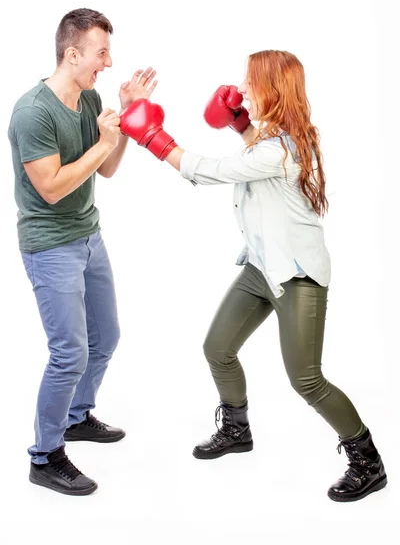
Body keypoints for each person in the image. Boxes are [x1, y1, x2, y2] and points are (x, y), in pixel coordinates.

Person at [119, 50, 387, 502]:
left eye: (248, 84)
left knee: (306, 380)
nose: (240, 89)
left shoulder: (280, 149)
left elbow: (209, 171)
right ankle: (237, 430)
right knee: (217, 348)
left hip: (297, 277)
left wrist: (151, 136)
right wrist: (240, 122)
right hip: (263, 267)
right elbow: (255, 149)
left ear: (272, 90)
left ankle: (367, 461)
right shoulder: (275, 139)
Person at [8, 8, 157, 496]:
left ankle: (74, 417)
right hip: (50, 246)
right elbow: (50, 188)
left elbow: (107, 169)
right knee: (69, 353)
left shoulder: (90, 98)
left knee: (106, 337)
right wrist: (104, 142)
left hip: (89, 237)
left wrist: (128, 119)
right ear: (72, 55)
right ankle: (44, 456)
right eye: (101, 53)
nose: (108, 62)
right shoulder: (33, 112)